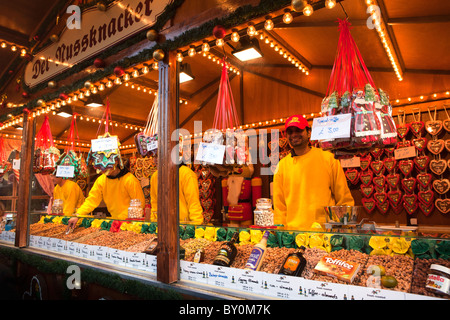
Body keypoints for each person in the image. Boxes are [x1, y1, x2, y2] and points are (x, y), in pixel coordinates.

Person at [272, 114, 354, 230]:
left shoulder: (328, 159)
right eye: (290, 132)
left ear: (309, 132)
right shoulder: (282, 166)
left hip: (325, 234)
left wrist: (344, 231)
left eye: (299, 130)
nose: (294, 134)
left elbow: (344, 199)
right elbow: (279, 207)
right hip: (294, 236)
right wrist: (281, 234)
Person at [67, 158, 145, 228]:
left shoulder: (130, 180)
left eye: (108, 164)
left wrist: (123, 220)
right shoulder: (101, 180)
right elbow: (91, 200)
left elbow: (140, 204)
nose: (104, 168)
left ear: (116, 162)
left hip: (131, 224)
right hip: (115, 222)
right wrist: (78, 215)